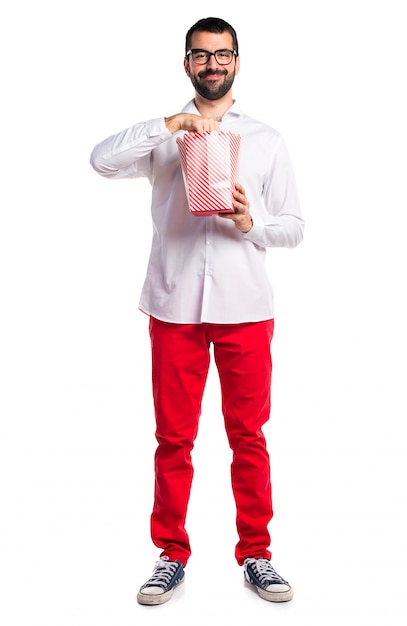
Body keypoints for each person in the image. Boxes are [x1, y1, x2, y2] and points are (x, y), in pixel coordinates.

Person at [90, 16, 304, 606]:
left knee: (248, 435)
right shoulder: (163, 136)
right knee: (173, 439)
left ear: (237, 60)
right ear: (187, 63)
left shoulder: (266, 139)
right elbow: (101, 161)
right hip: (174, 307)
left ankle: (256, 554)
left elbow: (295, 227)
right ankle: (170, 555)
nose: (213, 64)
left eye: (223, 54)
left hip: (246, 309)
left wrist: (250, 222)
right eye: (202, 55)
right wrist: (168, 124)